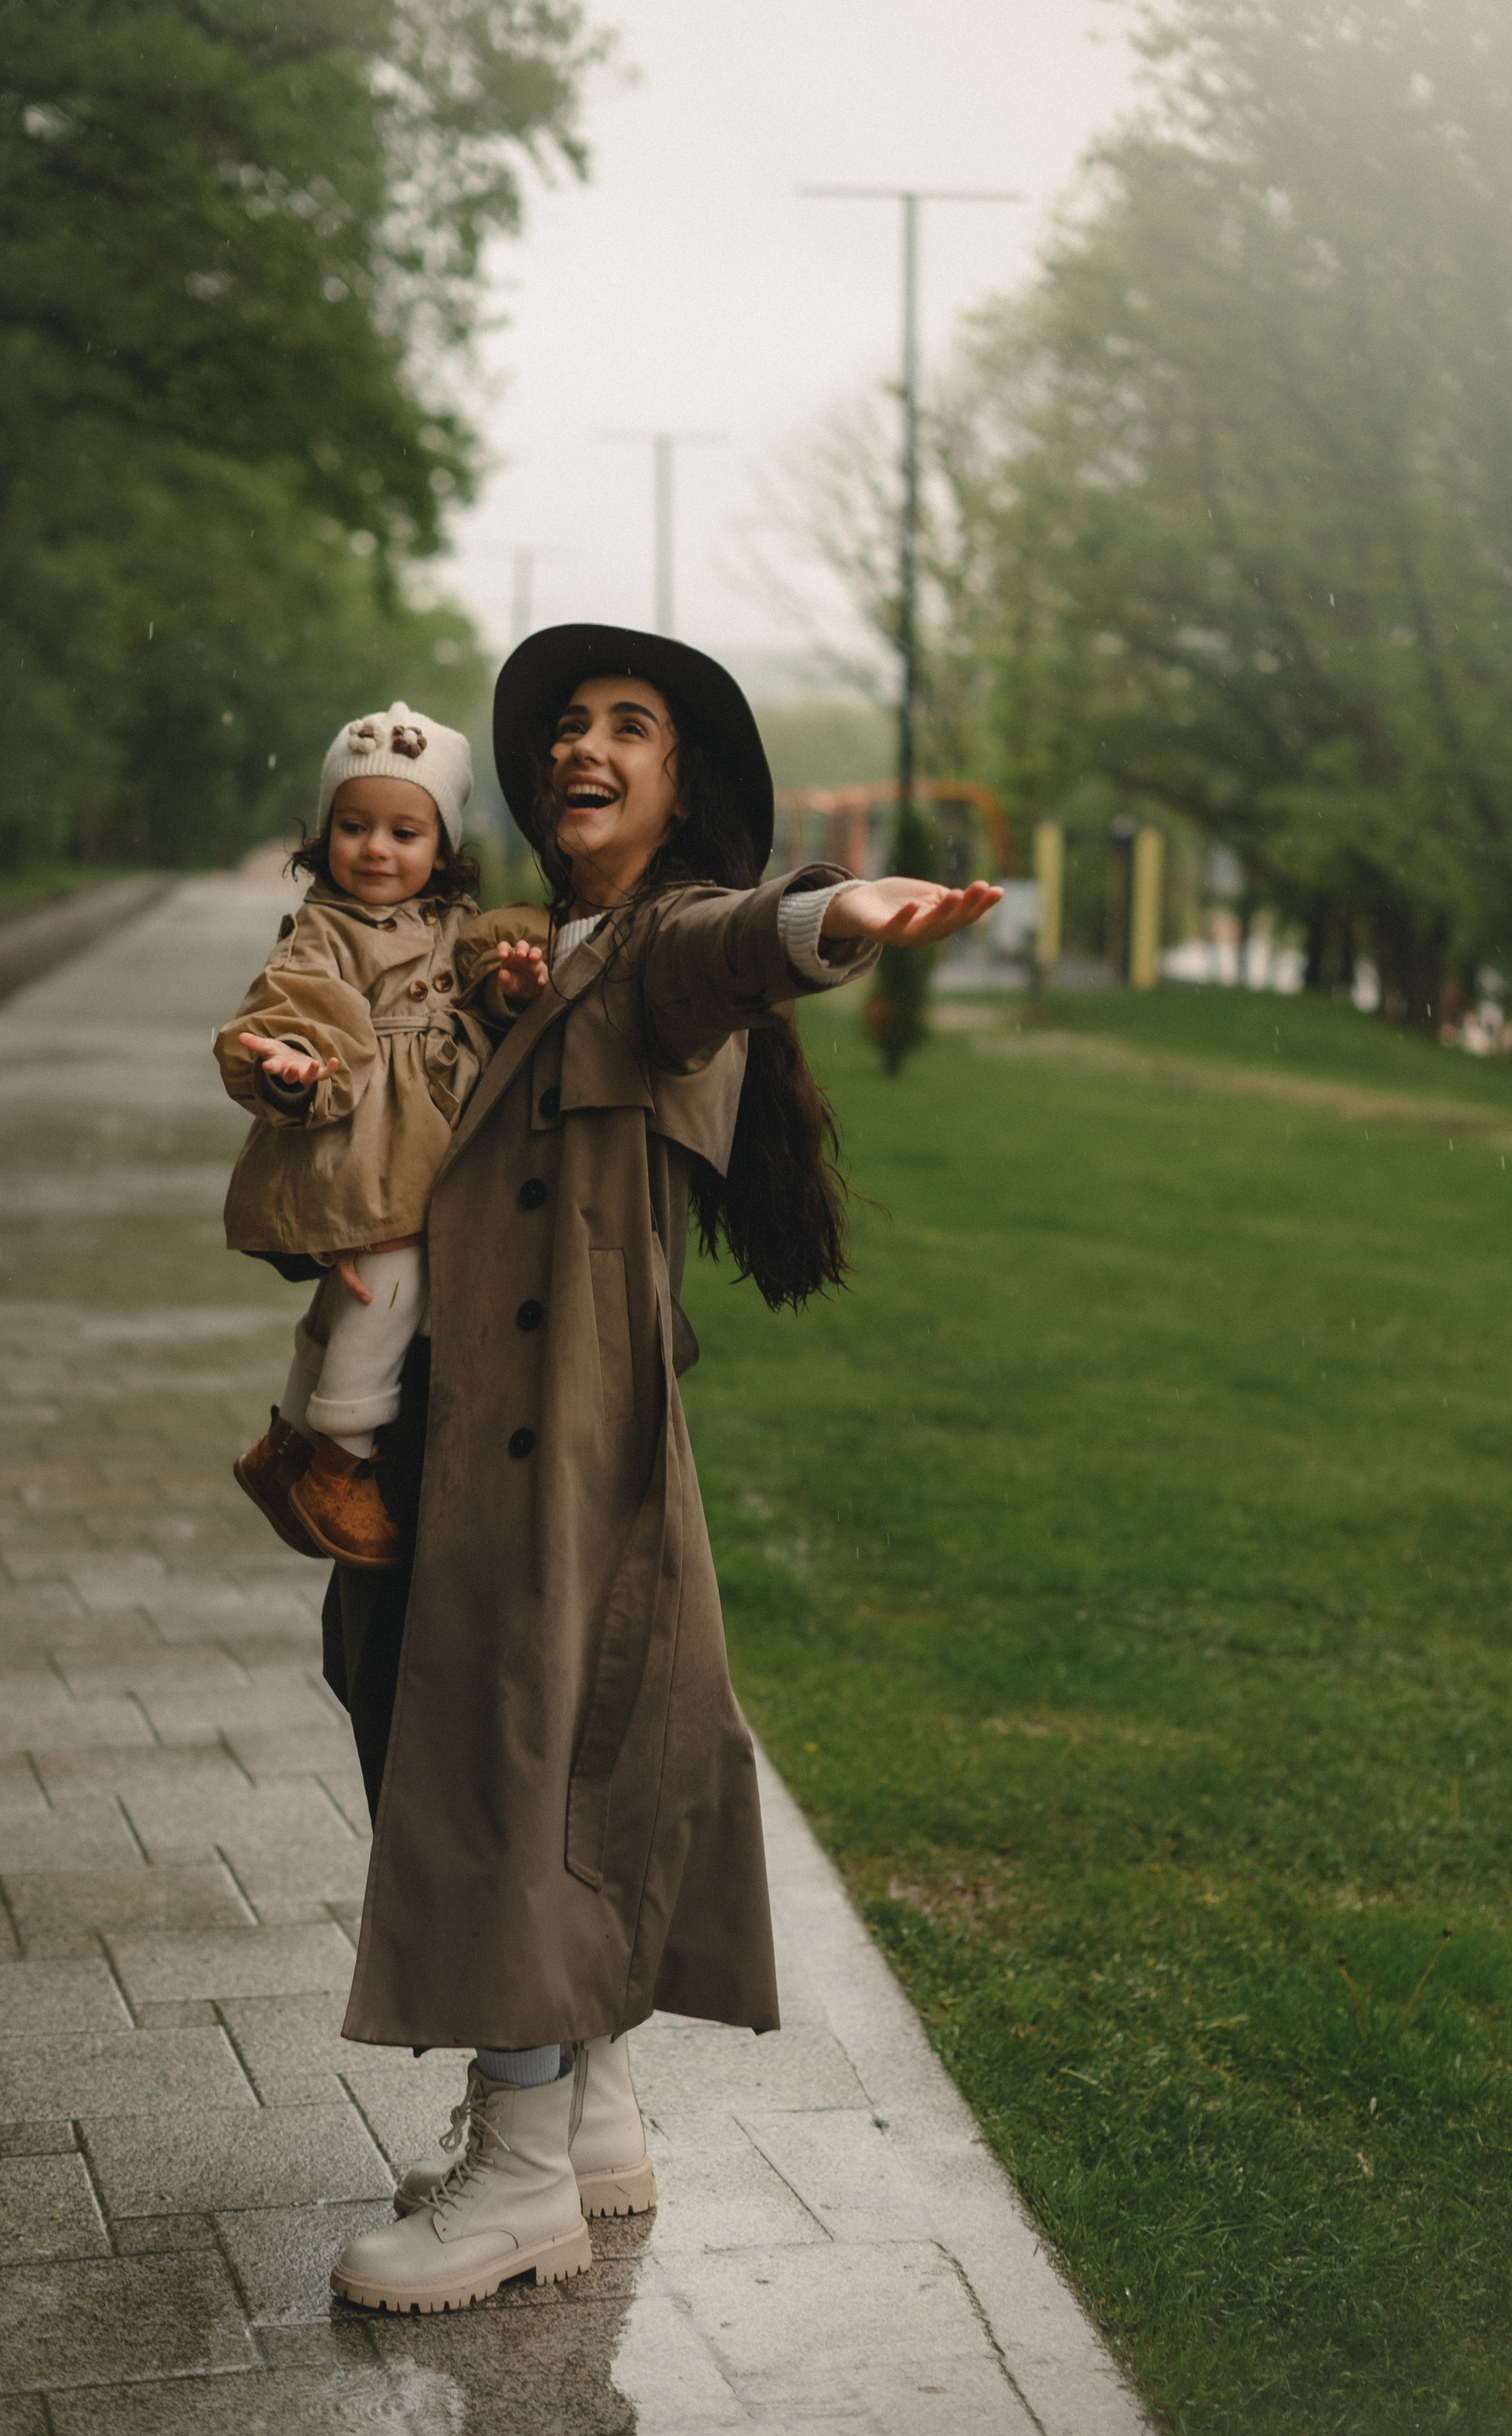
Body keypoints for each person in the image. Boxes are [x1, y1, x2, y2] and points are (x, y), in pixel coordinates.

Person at [322, 627, 1001, 2314]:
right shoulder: (540, 944)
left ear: (687, 784)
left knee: (508, 1758)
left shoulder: (653, 950)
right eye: (565, 724)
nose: (582, 745)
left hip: (546, 1437)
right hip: (490, 1412)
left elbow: (727, 952)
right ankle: (593, 2108)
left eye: (630, 726)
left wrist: (828, 918)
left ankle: (520, 2172)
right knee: (483, 1719)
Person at [216, 702, 550, 1571]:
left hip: (414, 1150)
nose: (375, 848)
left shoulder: (451, 923)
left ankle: (284, 1444)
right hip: (353, 1142)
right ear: (324, 834)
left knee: (355, 1291)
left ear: (441, 848)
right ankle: (342, 1461)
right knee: (394, 1283)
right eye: (353, 826)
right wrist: (294, 1061)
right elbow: (293, 1008)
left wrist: (510, 984)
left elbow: (483, 993)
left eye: (404, 831)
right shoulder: (323, 931)